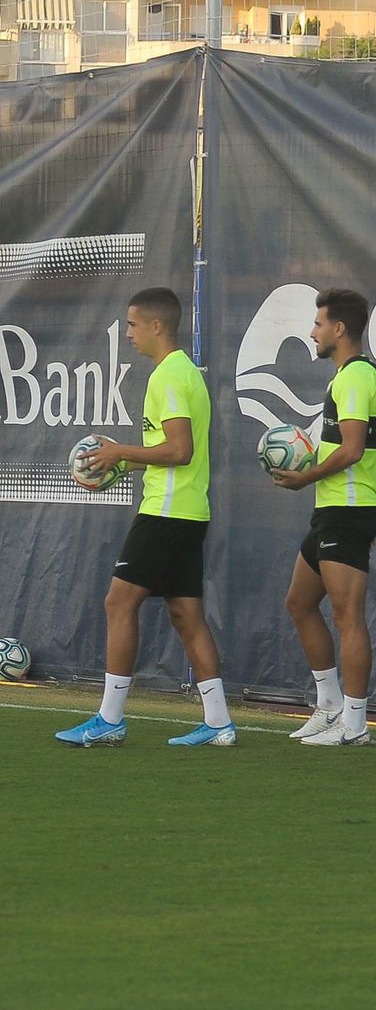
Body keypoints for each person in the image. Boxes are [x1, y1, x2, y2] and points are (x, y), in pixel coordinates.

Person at [57, 287, 235, 747]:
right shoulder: (183, 373)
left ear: (157, 326)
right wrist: (118, 464)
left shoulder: (169, 377)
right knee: (185, 614)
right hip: (188, 511)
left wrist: (119, 450)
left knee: (118, 603)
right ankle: (219, 723)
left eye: (133, 324)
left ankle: (110, 718)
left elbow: (180, 450)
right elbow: (172, 453)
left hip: (166, 512)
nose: (128, 332)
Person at [271, 288, 376, 746]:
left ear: (339, 329)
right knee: (299, 604)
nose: (312, 331)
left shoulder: (356, 378)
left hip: (347, 510)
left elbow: (355, 449)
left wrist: (305, 477)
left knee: (347, 617)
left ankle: (356, 725)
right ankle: (330, 706)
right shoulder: (345, 377)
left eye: (318, 324)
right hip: (337, 511)